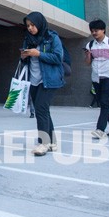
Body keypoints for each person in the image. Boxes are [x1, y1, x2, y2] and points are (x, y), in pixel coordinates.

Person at [22, 11, 66, 156]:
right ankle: (52, 141)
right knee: (43, 110)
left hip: (49, 80)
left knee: (40, 109)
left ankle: (43, 143)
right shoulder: (28, 39)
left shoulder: (52, 37)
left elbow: (58, 57)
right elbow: (26, 60)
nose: (30, 28)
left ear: (40, 24)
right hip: (33, 80)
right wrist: (24, 56)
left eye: (33, 25)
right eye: (28, 25)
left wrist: (39, 54)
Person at [85, 19, 109, 138]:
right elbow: (87, 63)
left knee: (105, 102)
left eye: (96, 30)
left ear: (103, 30)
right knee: (103, 103)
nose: (94, 33)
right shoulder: (90, 45)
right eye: (92, 31)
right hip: (96, 77)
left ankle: (100, 129)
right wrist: (88, 55)